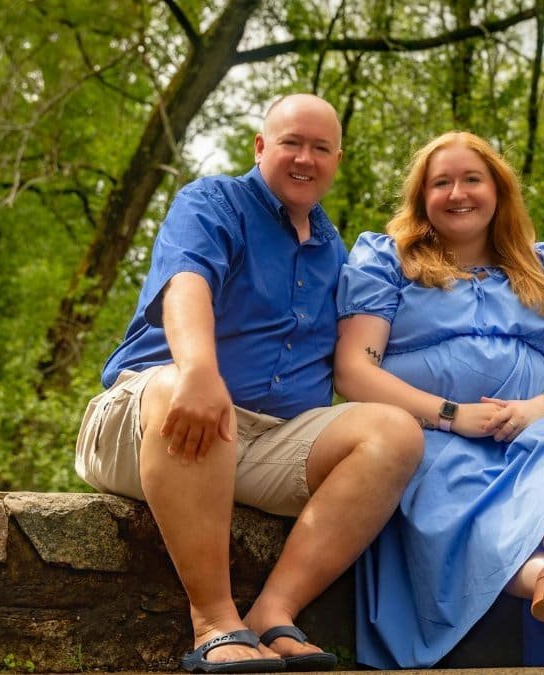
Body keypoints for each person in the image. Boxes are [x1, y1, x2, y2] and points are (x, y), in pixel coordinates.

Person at [74, 94, 424, 674]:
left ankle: (273, 613)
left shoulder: (334, 251)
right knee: (186, 390)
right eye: (291, 143)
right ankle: (214, 620)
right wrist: (199, 371)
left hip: (262, 442)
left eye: (320, 148)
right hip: (145, 419)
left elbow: (360, 358)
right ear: (261, 147)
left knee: (395, 433)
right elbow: (186, 286)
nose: (304, 159)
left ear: (337, 159)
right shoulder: (213, 202)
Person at [333, 131, 544, 669]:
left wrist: (533, 410)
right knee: (455, 482)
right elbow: (354, 369)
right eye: (440, 182)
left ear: (499, 191)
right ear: (422, 197)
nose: (457, 192)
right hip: (426, 432)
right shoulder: (388, 258)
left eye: (473, 179)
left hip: (524, 429)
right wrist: (452, 415)